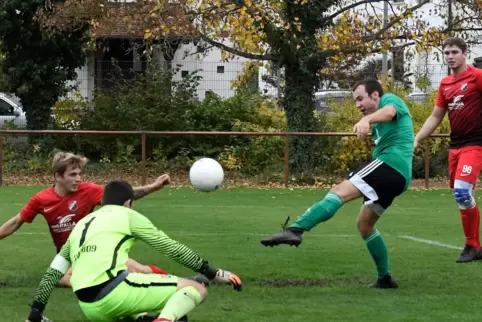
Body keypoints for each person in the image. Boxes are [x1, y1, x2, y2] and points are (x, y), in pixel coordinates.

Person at [261, 79, 414, 289]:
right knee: (365, 226)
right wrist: (370, 121)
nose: (358, 104)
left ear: (375, 95)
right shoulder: (380, 120)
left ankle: (296, 229)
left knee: (338, 192)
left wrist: (367, 120)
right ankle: (385, 278)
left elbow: (389, 111)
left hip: (390, 165)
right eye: (355, 101)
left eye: (361, 98)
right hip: (398, 176)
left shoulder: (389, 100)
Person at [25, 179, 242, 322]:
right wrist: (212, 272)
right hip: (114, 291)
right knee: (194, 290)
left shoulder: (81, 224)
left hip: (89, 307)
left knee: (154, 311)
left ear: (102, 202)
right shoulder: (126, 215)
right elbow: (169, 247)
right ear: (128, 202)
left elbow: (53, 274)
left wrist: (35, 313)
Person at [0, 151, 181, 287]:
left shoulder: (89, 190)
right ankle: (104, 279)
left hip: (95, 250)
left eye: (79, 174)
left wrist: (154, 187)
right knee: (58, 278)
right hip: (68, 257)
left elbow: (124, 195)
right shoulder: (41, 200)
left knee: (139, 270)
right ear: (57, 177)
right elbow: (16, 222)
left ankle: (183, 282)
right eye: (72, 175)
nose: (78, 179)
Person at [414, 37, 482, 263]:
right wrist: (417, 138)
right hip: (456, 147)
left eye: (454, 52)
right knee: (463, 195)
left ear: (465, 53)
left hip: (475, 144)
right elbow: (435, 116)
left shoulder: (477, 76)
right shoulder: (444, 85)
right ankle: (476, 247)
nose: (450, 56)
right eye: (446, 53)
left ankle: (471, 246)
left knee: (462, 192)